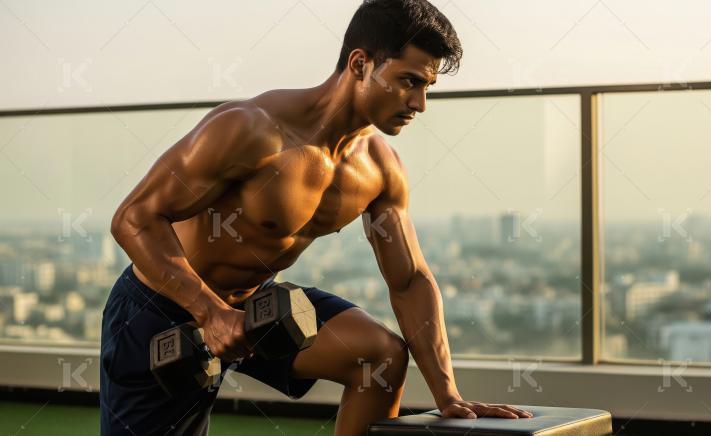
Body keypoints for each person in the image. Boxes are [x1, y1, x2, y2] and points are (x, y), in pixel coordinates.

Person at [100, 0, 532, 434]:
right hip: (161, 307)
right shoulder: (251, 130)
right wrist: (210, 313)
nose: (419, 103)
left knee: (379, 357)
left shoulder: (379, 168)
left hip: (256, 309)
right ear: (360, 64)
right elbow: (134, 218)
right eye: (409, 81)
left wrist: (447, 394)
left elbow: (409, 281)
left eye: (427, 87)